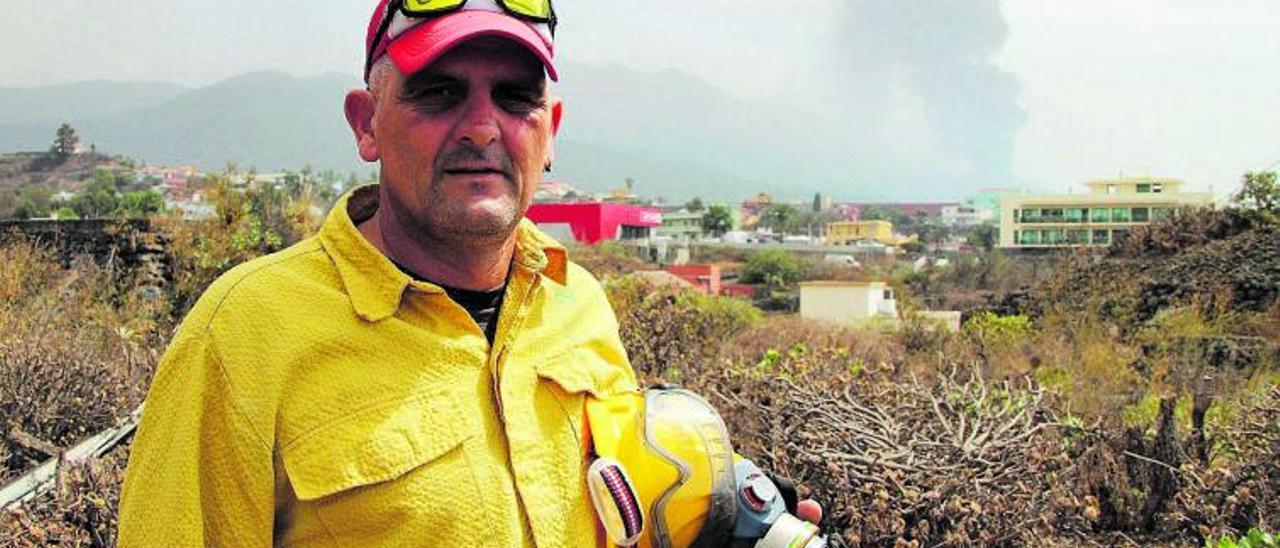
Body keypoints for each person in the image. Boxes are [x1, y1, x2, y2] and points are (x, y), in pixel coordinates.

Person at [119, 0, 818, 545]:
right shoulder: (244, 333)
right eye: (440, 93)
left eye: (516, 98)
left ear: (551, 131)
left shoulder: (579, 304)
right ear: (366, 123)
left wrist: (714, 517)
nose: (483, 127)